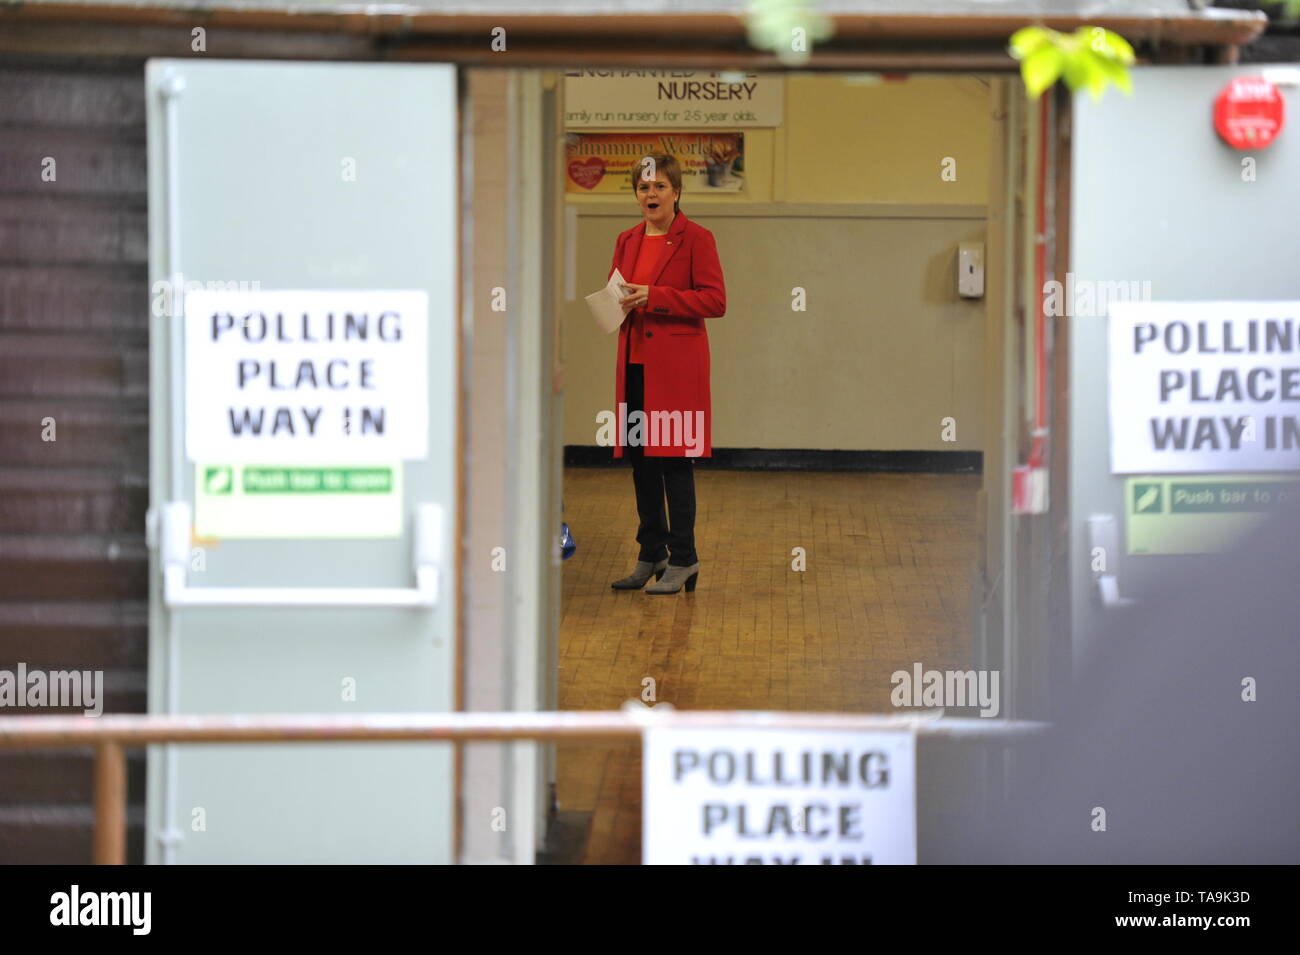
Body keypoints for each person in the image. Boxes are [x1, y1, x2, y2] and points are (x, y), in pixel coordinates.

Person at [607, 153, 726, 595]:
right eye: (643, 187)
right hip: (635, 365)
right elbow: (617, 292)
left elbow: (715, 301)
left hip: (676, 371)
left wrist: (655, 296)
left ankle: (685, 558)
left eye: (659, 186)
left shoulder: (697, 238)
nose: (650, 194)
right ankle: (650, 552)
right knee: (641, 462)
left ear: (676, 191)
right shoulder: (626, 240)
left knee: (673, 462)